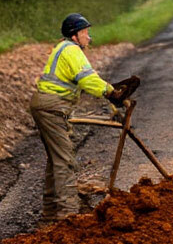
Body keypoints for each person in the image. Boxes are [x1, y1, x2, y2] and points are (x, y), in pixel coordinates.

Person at [29, 13, 121, 223]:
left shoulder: (63, 48)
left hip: (46, 105)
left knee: (56, 159)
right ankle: (68, 216)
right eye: (86, 33)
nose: (89, 38)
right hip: (51, 107)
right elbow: (87, 79)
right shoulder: (71, 50)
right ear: (75, 35)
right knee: (64, 161)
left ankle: (51, 213)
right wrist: (110, 92)